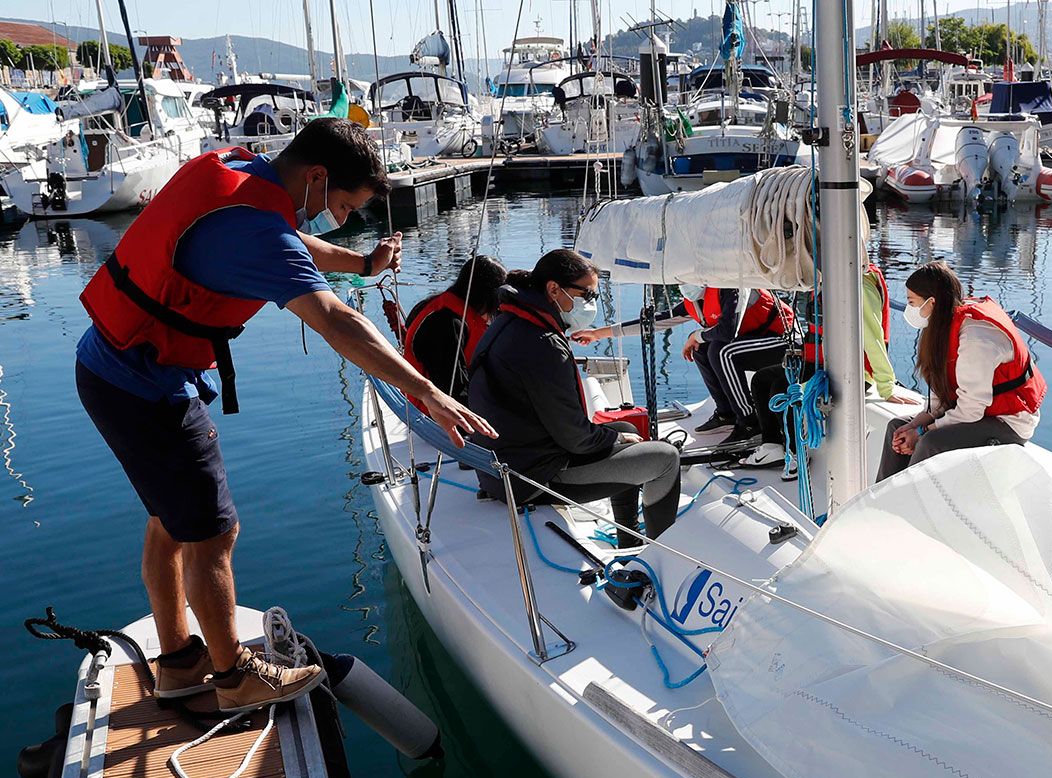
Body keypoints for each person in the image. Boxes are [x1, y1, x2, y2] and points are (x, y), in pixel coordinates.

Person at [75, 118, 494, 713]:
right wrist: (427, 391)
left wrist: (362, 265)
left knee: (172, 520)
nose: (345, 219)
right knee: (213, 532)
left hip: (115, 367)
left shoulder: (241, 172)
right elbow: (336, 321)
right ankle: (232, 677)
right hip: (145, 387)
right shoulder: (256, 229)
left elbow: (296, 239)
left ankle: (177, 663)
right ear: (317, 175)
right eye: (345, 204)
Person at [468, 249, 681, 541]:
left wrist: (617, 436)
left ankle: (629, 539)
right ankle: (659, 558)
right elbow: (577, 439)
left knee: (627, 429)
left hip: (505, 465)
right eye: (588, 295)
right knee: (666, 458)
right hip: (529, 478)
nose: (590, 304)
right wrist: (614, 439)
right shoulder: (542, 344)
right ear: (554, 289)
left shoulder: (511, 322)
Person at [875, 260, 1045, 482]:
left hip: (1007, 422)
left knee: (930, 443)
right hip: (975, 414)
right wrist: (913, 426)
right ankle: (884, 505)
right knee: (896, 428)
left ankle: (911, 508)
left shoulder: (977, 338)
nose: (909, 310)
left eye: (912, 302)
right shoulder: (941, 328)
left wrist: (920, 433)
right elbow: (939, 403)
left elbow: (971, 410)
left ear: (931, 303)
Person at [741, 262, 919, 468]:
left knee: (782, 388)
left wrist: (886, 386)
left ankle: (796, 454)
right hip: (823, 364)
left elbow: (873, 339)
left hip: (854, 374)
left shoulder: (859, 286)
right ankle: (772, 446)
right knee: (762, 380)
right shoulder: (828, 280)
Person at [572, 284, 796, 443]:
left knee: (721, 350)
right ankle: (727, 413)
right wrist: (598, 334)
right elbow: (653, 322)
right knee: (703, 349)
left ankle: (750, 421)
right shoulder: (694, 301)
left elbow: (727, 332)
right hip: (752, 342)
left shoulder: (731, 287)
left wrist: (698, 334)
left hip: (782, 341)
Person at [400, 254, 507, 405]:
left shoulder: (446, 306)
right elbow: (452, 390)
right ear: (486, 296)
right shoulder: (445, 324)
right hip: (434, 413)